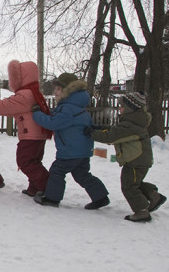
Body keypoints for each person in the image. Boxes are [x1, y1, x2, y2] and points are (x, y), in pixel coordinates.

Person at [30, 72, 110, 209]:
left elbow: (53, 123)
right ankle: (101, 197)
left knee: (57, 170)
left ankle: (52, 198)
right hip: (82, 150)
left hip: (70, 151)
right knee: (82, 174)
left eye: (58, 89)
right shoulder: (77, 107)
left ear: (68, 91)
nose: (55, 92)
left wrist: (36, 114)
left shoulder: (67, 108)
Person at [90, 92, 166, 222]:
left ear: (130, 109)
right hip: (139, 160)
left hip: (135, 162)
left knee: (128, 186)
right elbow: (116, 131)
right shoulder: (133, 123)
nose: (119, 108)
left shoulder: (130, 125)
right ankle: (154, 196)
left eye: (122, 106)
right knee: (134, 183)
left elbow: (111, 137)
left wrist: (91, 133)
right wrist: (101, 128)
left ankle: (141, 211)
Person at [0, 60, 50, 196]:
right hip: (38, 135)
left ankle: (47, 186)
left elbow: (6, 105)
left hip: (30, 136)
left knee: (25, 161)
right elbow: (13, 110)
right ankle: (35, 188)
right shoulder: (33, 93)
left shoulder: (25, 95)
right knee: (34, 162)